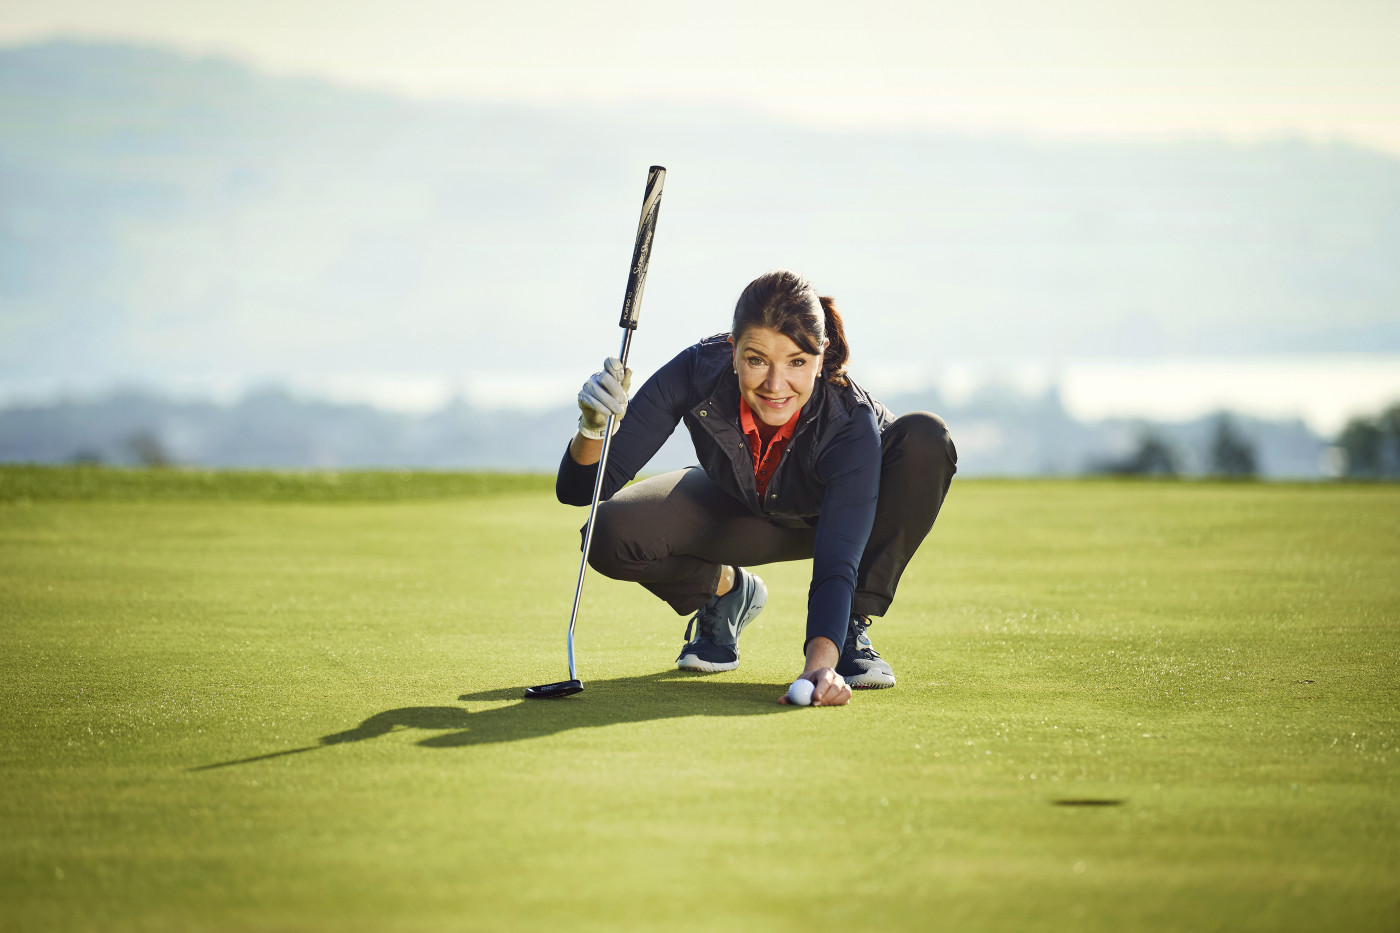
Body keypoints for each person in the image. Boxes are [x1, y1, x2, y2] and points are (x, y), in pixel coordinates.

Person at [556, 270, 956, 706]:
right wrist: (593, 428)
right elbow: (581, 489)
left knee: (926, 438)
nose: (775, 385)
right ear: (732, 350)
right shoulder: (696, 369)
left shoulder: (850, 419)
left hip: (839, 519)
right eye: (757, 360)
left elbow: (837, 560)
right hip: (741, 509)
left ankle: (848, 629)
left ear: (821, 358)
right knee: (606, 532)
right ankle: (728, 591)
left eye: (797, 362)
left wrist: (819, 665)